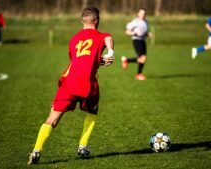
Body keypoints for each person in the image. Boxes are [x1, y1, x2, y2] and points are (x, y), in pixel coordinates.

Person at [27, 7, 114, 164]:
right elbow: (108, 39)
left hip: (69, 84)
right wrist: (110, 53)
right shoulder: (101, 35)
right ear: (97, 20)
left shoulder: (74, 40)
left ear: (82, 21)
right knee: (92, 112)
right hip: (88, 85)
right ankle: (82, 146)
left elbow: (78, 61)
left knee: (52, 119)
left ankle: (36, 150)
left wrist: (98, 61)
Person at [121, 8, 152, 80]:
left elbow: (144, 32)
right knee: (142, 58)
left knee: (143, 58)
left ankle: (126, 60)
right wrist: (134, 33)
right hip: (136, 40)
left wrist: (148, 34)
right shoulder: (135, 22)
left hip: (142, 40)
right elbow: (127, 32)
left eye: (144, 13)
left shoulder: (146, 22)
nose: (142, 15)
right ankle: (139, 74)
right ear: (138, 14)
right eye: (141, 13)